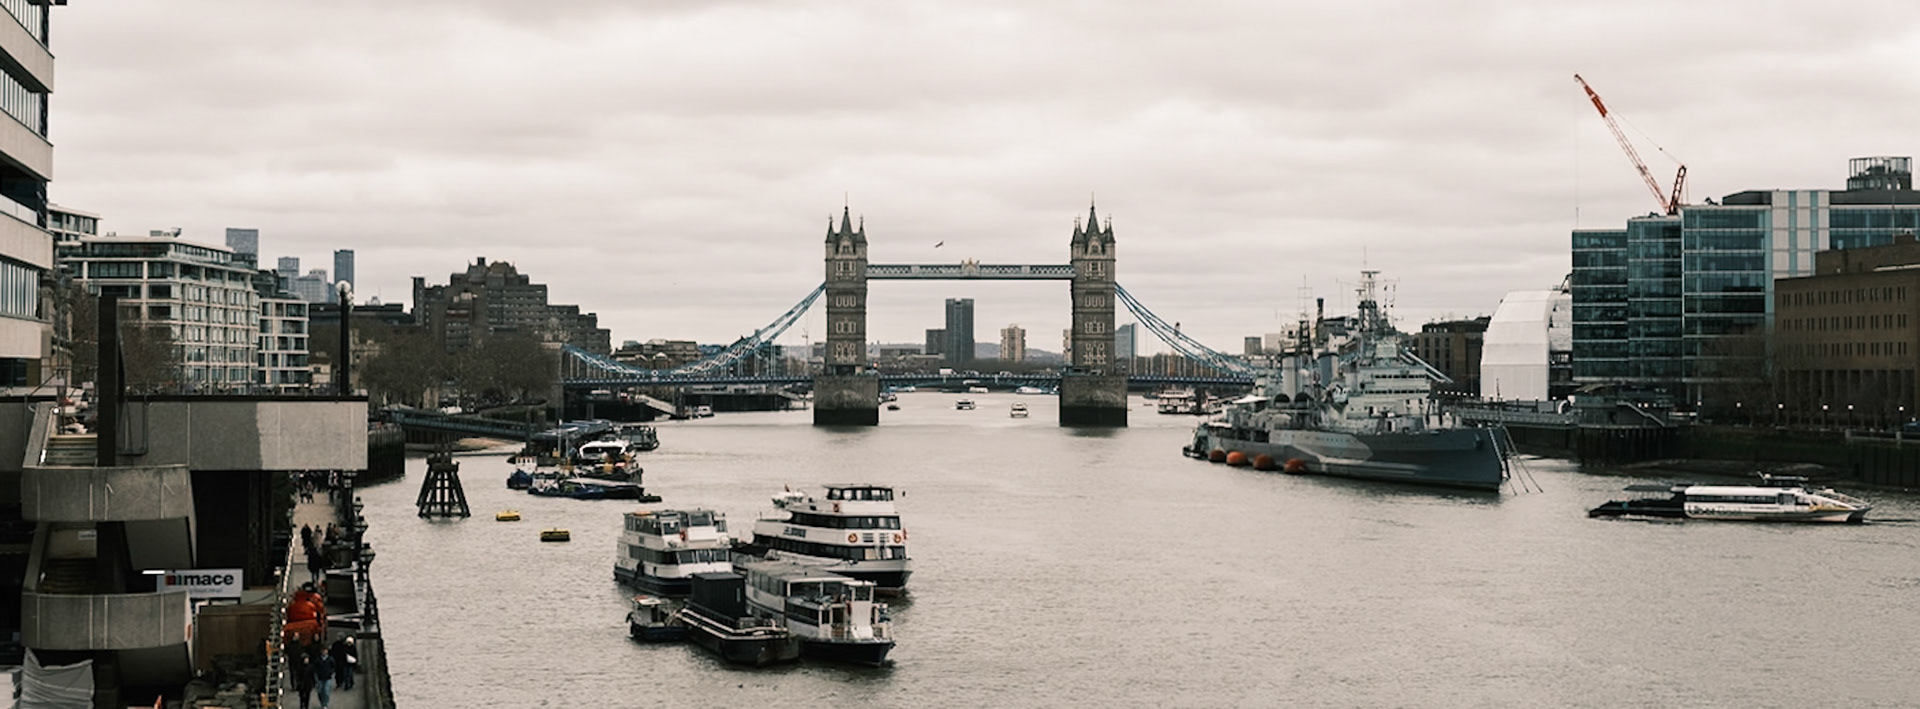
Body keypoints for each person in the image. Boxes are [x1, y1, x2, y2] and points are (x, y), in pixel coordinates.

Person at [291, 642, 315, 709]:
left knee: (307, 695)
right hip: (302, 682)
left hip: (308, 683)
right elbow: (297, 675)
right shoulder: (300, 667)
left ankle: (306, 705)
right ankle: (302, 704)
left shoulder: (310, 667)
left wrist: (313, 682)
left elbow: (312, 675)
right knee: (302, 695)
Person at [313, 645, 336, 709]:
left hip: (328, 677)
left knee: (326, 691)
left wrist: (331, 672)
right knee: (320, 691)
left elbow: (333, 666)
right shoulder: (318, 659)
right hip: (320, 677)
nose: (324, 652)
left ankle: (325, 704)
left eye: (325, 650)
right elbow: (315, 667)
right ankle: (322, 701)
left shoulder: (330, 659)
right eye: (323, 651)